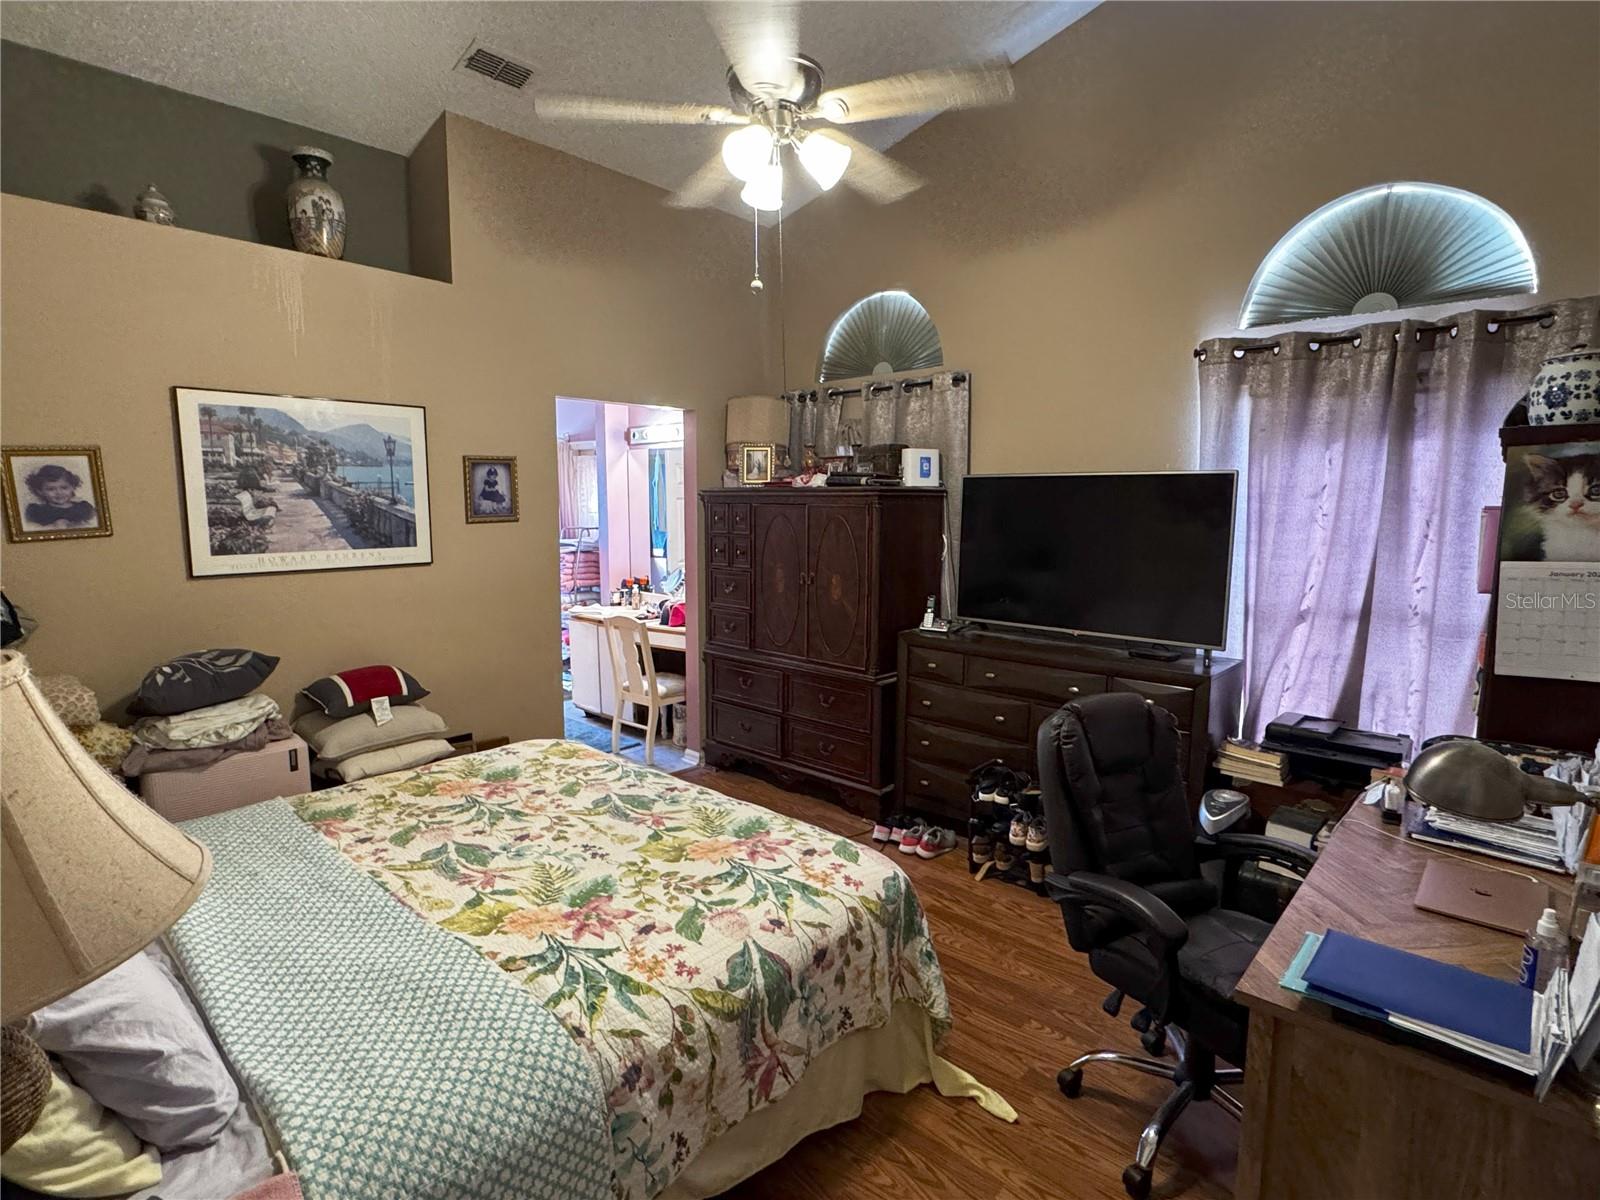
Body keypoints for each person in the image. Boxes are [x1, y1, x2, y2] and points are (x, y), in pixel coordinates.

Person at [23, 464, 97, 528]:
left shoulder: (84, 508)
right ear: (40, 491)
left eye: (64, 488)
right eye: (51, 489)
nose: (59, 493)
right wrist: (53, 526)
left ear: (72, 487)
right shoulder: (37, 512)